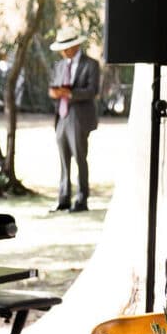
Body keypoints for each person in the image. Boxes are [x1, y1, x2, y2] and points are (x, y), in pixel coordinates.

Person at [49, 30, 102, 211]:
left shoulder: (91, 64)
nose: (63, 52)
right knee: (63, 160)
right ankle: (63, 199)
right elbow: (54, 86)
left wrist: (70, 93)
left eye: (66, 48)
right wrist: (55, 93)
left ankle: (81, 199)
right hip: (62, 116)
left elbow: (92, 91)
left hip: (79, 117)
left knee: (80, 158)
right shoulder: (59, 65)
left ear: (75, 45)